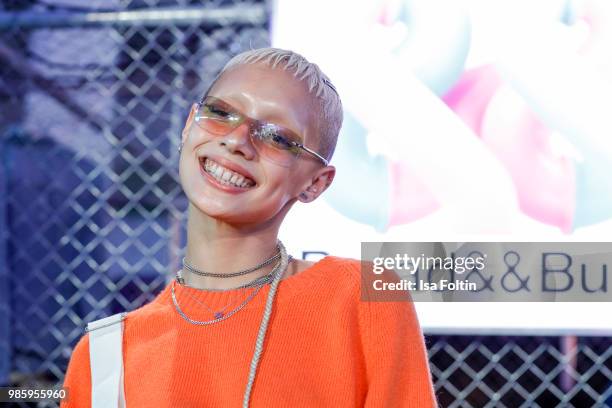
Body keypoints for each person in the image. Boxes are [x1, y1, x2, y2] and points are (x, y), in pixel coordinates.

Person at [60, 47, 437, 407]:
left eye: (278, 137)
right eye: (222, 113)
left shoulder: (361, 299)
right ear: (189, 125)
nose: (237, 140)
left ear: (316, 183)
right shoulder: (104, 354)